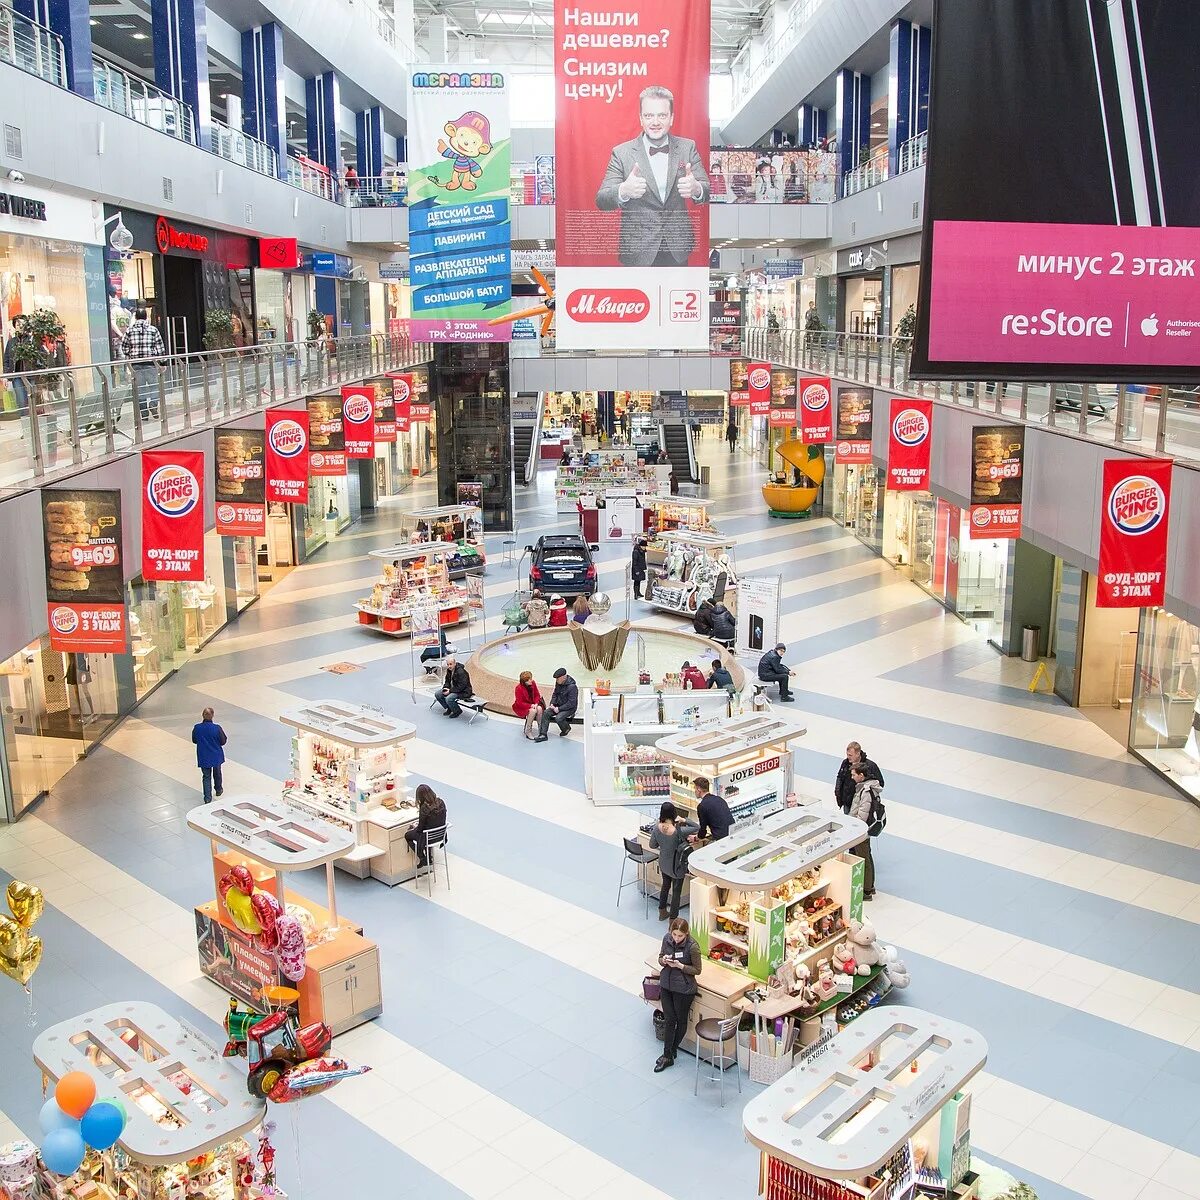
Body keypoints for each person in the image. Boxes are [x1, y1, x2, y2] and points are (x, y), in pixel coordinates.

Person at [595, 85, 710, 267]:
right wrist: (624, 190)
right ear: (641, 119)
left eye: (662, 115)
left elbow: (707, 189)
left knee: (675, 296)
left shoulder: (688, 147)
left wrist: (696, 189)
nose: (655, 122)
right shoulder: (621, 153)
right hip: (637, 251)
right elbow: (601, 199)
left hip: (677, 250)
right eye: (649, 116)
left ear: (671, 118)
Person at [654, 917, 702, 1072]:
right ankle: (668, 1054)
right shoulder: (666, 939)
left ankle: (670, 1052)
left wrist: (681, 966)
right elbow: (660, 956)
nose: (676, 938)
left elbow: (697, 970)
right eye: (674, 934)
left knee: (680, 1020)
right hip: (667, 984)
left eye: (680, 936)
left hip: (683, 989)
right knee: (669, 1020)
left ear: (686, 934)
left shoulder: (693, 947)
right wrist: (664, 960)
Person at [649, 801, 698, 920]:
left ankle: (662, 911)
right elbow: (697, 827)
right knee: (676, 892)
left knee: (665, 886)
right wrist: (684, 820)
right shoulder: (678, 831)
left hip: (664, 864)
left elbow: (652, 845)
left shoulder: (656, 828)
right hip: (677, 866)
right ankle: (673, 919)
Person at [119, 307, 165, 420]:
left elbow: (124, 348)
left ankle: (144, 414)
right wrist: (163, 362)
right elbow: (160, 347)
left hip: (136, 365)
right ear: (146, 317)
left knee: (140, 389)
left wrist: (130, 353)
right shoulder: (153, 330)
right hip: (151, 363)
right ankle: (153, 405)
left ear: (135, 317)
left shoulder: (129, 331)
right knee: (155, 386)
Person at [847, 765, 883, 899]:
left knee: (863, 858)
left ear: (861, 775)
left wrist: (854, 828)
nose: (852, 777)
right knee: (867, 855)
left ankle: (866, 890)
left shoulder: (866, 791)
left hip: (861, 831)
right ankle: (870, 886)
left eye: (854, 774)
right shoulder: (868, 788)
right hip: (866, 829)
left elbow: (862, 813)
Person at [834, 741, 885, 814]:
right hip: (847, 802)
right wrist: (837, 792)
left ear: (858, 754)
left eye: (850, 755)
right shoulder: (845, 763)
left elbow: (880, 783)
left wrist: (867, 794)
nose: (848, 757)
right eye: (847, 755)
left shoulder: (870, 766)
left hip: (862, 804)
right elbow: (840, 777)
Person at [404, 783, 447, 867]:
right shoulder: (441, 802)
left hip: (428, 838)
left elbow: (420, 829)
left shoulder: (424, 808)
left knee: (407, 836)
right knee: (427, 832)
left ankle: (422, 858)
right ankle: (429, 857)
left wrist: (414, 827)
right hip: (440, 835)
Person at [191, 707, 227, 804]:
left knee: (206, 776)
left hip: (204, 755)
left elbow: (194, 740)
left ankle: (207, 798)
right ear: (212, 716)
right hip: (216, 754)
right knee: (217, 773)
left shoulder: (197, 728)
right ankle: (218, 789)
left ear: (202, 715)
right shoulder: (217, 728)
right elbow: (223, 741)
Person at [534, 667, 578, 740]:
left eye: (558, 678)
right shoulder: (558, 682)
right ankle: (543, 734)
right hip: (558, 705)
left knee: (559, 718)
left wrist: (559, 709)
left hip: (569, 708)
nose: (556, 680)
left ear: (564, 677)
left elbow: (571, 703)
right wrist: (552, 703)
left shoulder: (572, 687)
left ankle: (566, 728)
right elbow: (555, 694)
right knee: (546, 713)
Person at [692, 776, 733, 843]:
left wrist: (695, 838)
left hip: (721, 840)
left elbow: (703, 831)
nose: (695, 791)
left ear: (699, 789)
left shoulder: (702, 806)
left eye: (695, 789)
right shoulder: (719, 799)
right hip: (732, 834)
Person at [512, 671, 545, 740]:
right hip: (522, 706)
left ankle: (541, 729)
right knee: (532, 711)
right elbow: (519, 702)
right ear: (525, 681)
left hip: (533, 703)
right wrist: (530, 705)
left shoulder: (533, 683)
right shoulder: (518, 688)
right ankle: (528, 730)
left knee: (539, 709)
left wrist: (536, 703)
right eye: (529, 679)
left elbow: (537, 694)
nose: (531, 680)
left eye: (531, 678)